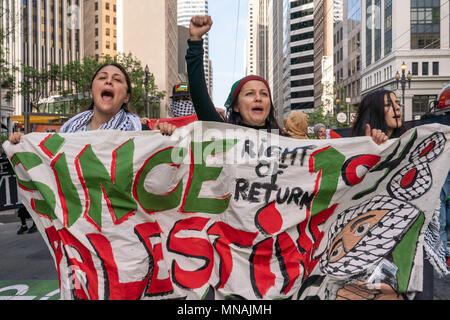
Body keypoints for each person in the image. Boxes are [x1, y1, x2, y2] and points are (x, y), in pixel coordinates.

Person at [352, 89, 439, 300]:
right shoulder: (358, 147)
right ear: (374, 111)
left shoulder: (412, 144)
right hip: (376, 244)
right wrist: (372, 152)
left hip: (415, 241)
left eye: (398, 102)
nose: (397, 107)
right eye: (388, 104)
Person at [9, 62, 175, 143]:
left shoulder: (143, 133)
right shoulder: (66, 134)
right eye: (102, 78)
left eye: (117, 80)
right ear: (91, 92)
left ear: (126, 97)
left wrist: (164, 138)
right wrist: (22, 144)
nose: (108, 82)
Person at [186, 15, 283, 134]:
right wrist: (195, 40)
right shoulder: (222, 134)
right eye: (249, 94)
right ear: (236, 106)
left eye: (264, 94)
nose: (258, 98)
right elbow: (199, 94)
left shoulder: (287, 142)